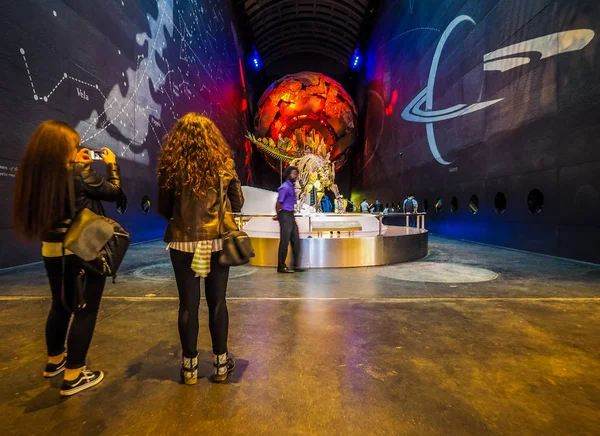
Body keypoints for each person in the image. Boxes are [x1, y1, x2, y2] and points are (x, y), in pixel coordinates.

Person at [13, 120, 124, 396]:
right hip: (82, 249)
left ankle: (55, 361)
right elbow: (113, 192)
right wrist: (111, 164)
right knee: (87, 310)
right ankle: (74, 375)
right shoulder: (79, 173)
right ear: (62, 148)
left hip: (52, 249)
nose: (79, 150)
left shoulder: (37, 175)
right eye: (74, 146)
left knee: (60, 306)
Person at [158, 113, 244, 385]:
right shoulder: (225, 164)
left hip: (183, 243)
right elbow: (238, 202)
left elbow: (163, 209)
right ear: (213, 139)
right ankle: (220, 365)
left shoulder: (171, 166)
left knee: (188, 305)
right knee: (217, 302)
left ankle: (189, 369)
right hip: (216, 241)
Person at [275, 165, 303, 273]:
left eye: (296, 174)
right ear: (288, 175)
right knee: (285, 241)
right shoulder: (285, 187)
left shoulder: (291, 186)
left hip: (290, 214)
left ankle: (295, 265)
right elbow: (278, 203)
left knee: (296, 240)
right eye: (293, 174)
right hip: (285, 214)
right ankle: (281, 266)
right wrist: (278, 215)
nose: (295, 176)